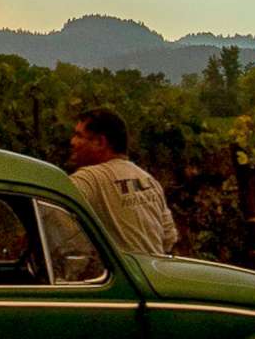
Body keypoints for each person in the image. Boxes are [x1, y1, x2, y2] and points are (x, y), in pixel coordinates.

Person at [68, 105, 179, 257]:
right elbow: (169, 238)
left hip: (119, 279)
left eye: (79, 136)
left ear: (100, 142)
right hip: (153, 275)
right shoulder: (148, 179)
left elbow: (60, 231)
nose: (72, 142)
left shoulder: (88, 179)